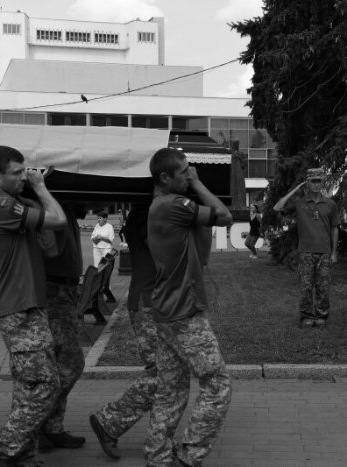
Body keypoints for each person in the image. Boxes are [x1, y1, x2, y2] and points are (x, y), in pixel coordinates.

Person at [0, 145, 67, 466]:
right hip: (18, 309)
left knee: (28, 387)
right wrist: (41, 188)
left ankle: (22, 457)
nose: (23, 178)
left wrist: (33, 198)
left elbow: (51, 248)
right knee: (47, 384)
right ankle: (1, 451)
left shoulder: (16, 205)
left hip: (29, 305)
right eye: (17, 173)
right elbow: (58, 219)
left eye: (24, 173)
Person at [145, 148, 233, 467]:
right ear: (164, 177)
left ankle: (157, 456)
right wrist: (197, 184)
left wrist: (190, 183)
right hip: (183, 313)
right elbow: (224, 215)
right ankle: (190, 455)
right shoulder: (173, 204)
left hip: (166, 310)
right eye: (183, 171)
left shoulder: (161, 205)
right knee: (218, 385)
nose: (189, 174)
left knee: (170, 390)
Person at [90, 204, 158, 460]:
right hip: (148, 303)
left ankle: (159, 438)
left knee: (166, 372)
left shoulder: (150, 210)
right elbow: (163, 250)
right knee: (161, 372)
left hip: (158, 302)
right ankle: (110, 421)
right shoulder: (145, 214)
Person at [37, 204, 86, 452]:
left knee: (64, 363)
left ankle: (52, 427)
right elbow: (51, 250)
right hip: (54, 289)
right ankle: (36, 423)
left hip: (65, 289)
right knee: (68, 362)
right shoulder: (49, 205)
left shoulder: (66, 204)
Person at [273, 168, 339, 328]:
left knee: (323, 287)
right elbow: (277, 207)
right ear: (307, 183)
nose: (316, 184)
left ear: (322, 182)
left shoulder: (330, 204)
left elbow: (334, 228)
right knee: (306, 287)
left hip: (324, 252)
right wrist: (296, 189)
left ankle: (322, 315)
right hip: (305, 252)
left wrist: (334, 252)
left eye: (319, 181)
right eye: (313, 181)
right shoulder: (299, 203)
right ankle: (307, 316)